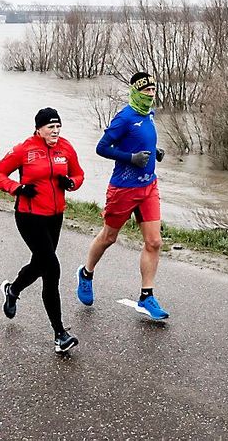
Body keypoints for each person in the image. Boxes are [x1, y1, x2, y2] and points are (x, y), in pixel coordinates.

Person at [76, 72, 170, 320]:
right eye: (146, 91)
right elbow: (102, 147)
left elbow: (141, 140)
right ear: (135, 92)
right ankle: (86, 273)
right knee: (109, 237)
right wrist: (131, 158)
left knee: (154, 242)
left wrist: (153, 151)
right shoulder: (124, 118)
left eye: (153, 90)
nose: (150, 95)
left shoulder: (149, 113)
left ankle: (146, 296)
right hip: (124, 188)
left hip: (148, 186)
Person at [0, 107, 85, 354]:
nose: (55, 131)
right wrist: (17, 188)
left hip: (55, 216)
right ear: (39, 128)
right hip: (29, 216)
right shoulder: (24, 149)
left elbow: (78, 174)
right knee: (52, 269)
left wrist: (72, 183)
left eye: (58, 127)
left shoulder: (65, 148)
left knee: (41, 264)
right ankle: (60, 334)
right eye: (50, 127)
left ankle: (13, 290)